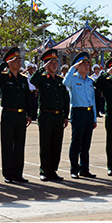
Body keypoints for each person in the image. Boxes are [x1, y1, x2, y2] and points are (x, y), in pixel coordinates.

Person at [0, 47, 33, 183]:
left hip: (21, 115)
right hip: (9, 113)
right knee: (8, 144)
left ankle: (18, 173)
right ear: (9, 63)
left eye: (20, 60)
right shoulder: (4, 77)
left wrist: (29, 114)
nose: (19, 62)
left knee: (20, 144)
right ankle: (8, 174)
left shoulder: (23, 79)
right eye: (16, 60)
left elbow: (27, 97)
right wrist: (5, 63)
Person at [29, 48, 70, 181]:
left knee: (56, 145)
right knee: (45, 144)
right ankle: (44, 171)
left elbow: (66, 98)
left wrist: (65, 116)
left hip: (58, 116)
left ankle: (53, 170)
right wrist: (42, 68)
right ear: (46, 64)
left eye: (55, 62)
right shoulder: (41, 78)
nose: (54, 64)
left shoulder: (60, 80)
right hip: (46, 115)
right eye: (51, 62)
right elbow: (32, 81)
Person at [63, 51, 97, 178]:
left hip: (88, 113)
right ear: (78, 65)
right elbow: (65, 82)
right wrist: (73, 68)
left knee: (86, 143)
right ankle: (74, 169)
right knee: (76, 142)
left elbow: (92, 100)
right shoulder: (73, 79)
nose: (87, 66)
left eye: (88, 64)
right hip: (78, 112)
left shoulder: (90, 81)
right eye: (84, 64)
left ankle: (84, 168)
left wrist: (94, 118)